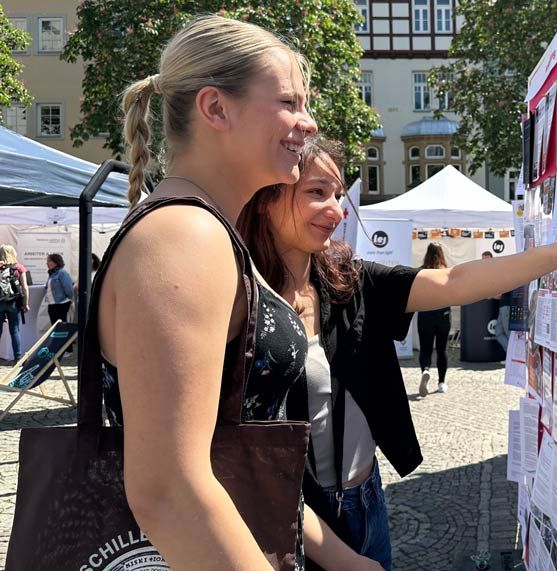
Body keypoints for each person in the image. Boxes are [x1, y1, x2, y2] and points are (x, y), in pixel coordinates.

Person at [238, 136, 557, 569]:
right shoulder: (243, 303)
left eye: (337, 194)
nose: (335, 209)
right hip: (292, 522)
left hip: (367, 501)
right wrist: (340, 559)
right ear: (267, 196)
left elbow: (454, 282)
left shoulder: (349, 282)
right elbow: (240, 459)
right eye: (316, 192)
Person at [94, 16, 377, 571]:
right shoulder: (184, 235)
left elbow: (236, 461)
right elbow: (170, 491)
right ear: (215, 109)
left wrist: (345, 560)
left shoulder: (203, 230)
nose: (308, 121)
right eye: (290, 103)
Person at [417, 242, 451, 396]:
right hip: (443, 315)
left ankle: (425, 369)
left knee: (426, 349)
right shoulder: (446, 272)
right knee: (442, 349)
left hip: (425, 314)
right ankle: (442, 382)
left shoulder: (421, 272)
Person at [0, 245, 29, 363]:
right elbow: (25, 288)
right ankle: (18, 358)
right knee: (15, 330)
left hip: (0, 302)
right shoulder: (19, 267)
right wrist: (25, 303)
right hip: (13, 303)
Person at [44, 253, 74, 325]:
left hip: (61, 304)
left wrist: (69, 299)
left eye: (49, 261)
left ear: (56, 262)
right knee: (54, 327)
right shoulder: (52, 274)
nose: (47, 263)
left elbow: (68, 288)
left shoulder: (62, 273)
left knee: (61, 327)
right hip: (52, 304)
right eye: (47, 261)